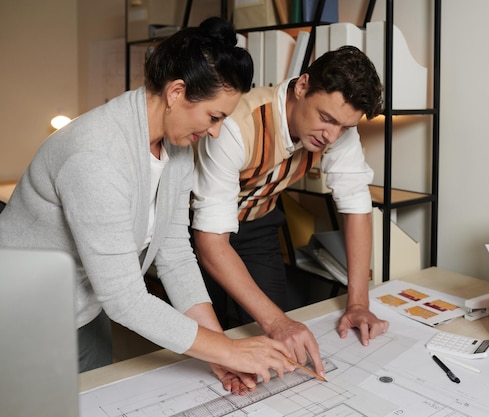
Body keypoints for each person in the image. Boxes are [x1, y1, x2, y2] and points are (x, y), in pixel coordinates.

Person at [0, 17, 295, 393]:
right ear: (176, 93)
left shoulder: (178, 145)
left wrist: (219, 351)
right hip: (19, 315)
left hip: (83, 308)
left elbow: (174, 255)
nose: (216, 131)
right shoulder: (96, 156)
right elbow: (125, 298)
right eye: (214, 116)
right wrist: (230, 350)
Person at [191, 45, 390, 378]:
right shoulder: (237, 125)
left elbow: (356, 206)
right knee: (207, 345)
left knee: (271, 336)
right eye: (326, 119)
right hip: (196, 229)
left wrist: (358, 303)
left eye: (343, 127)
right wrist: (277, 321)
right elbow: (211, 242)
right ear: (302, 87)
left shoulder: (337, 128)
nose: (332, 136)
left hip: (256, 223)